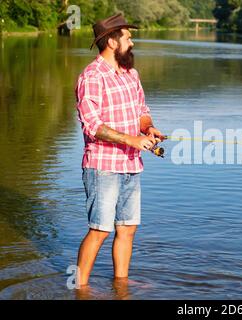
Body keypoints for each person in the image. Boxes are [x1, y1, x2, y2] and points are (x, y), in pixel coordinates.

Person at [75, 13, 164, 287]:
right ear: (112, 42)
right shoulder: (91, 76)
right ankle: (80, 288)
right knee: (99, 230)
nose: (132, 41)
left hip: (131, 165)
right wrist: (132, 140)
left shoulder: (131, 74)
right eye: (127, 37)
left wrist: (148, 129)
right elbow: (93, 126)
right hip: (103, 166)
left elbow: (142, 111)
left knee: (127, 229)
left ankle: (121, 285)